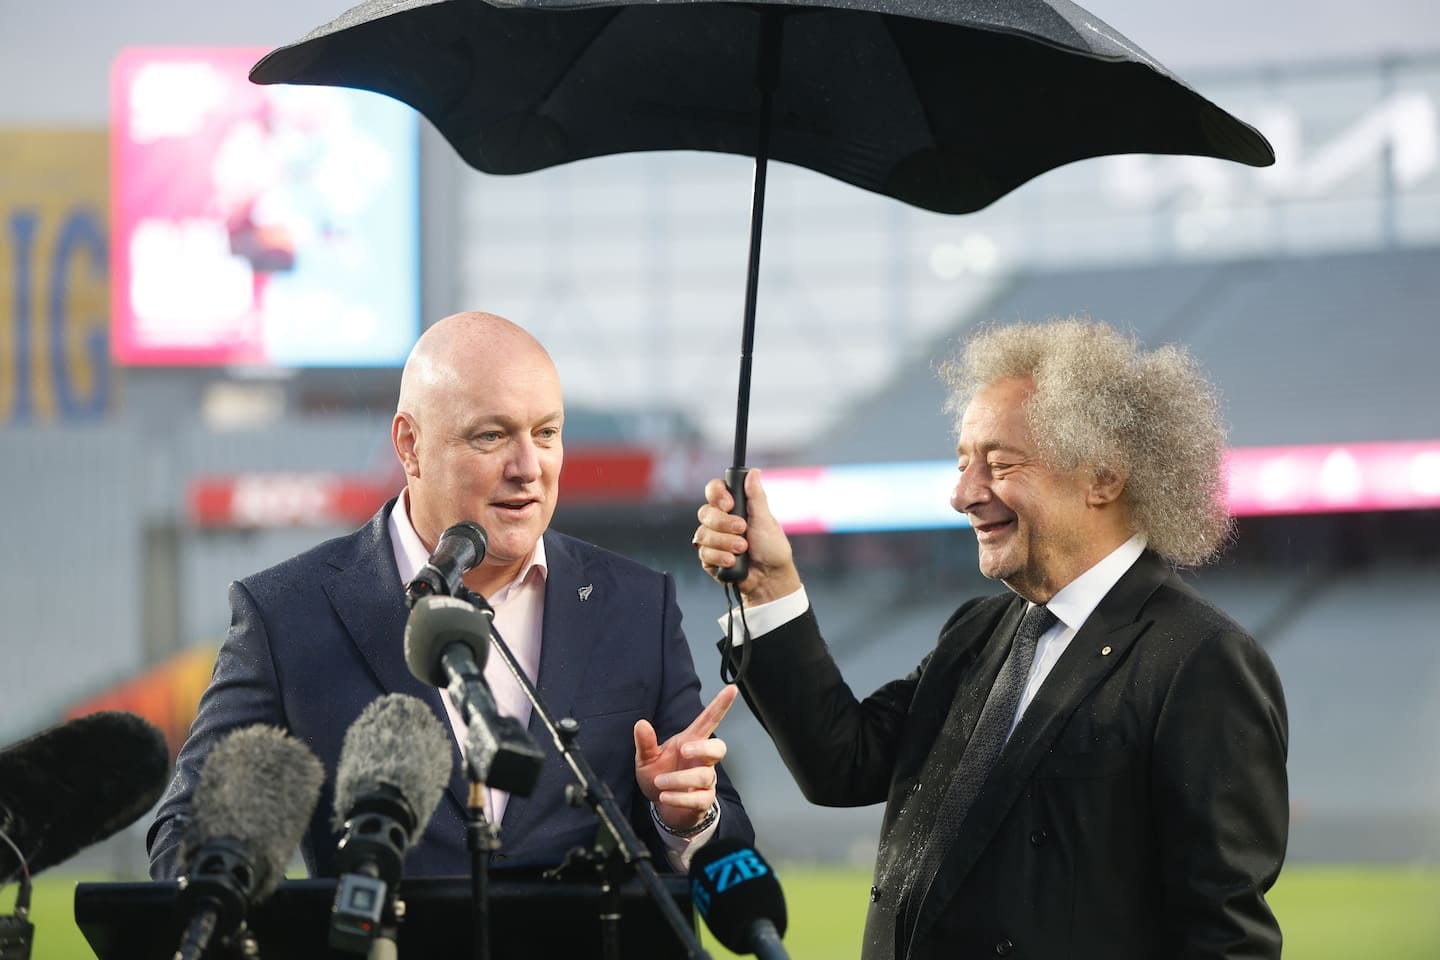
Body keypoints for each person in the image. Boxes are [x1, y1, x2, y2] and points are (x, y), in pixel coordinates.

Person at [693, 318, 1288, 960]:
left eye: (999, 465)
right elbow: (844, 764)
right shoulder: (978, 632)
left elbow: (1227, 940)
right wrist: (769, 586)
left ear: (1104, 478)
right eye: (963, 463)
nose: (962, 494)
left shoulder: (1200, 661)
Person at [150, 311, 752, 879]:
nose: (528, 466)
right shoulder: (284, 613)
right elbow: (185, 833)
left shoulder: (637, 605)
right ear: (410, 445)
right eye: (491, 436)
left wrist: (684, 818)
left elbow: (722, 842)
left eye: (546, 433)